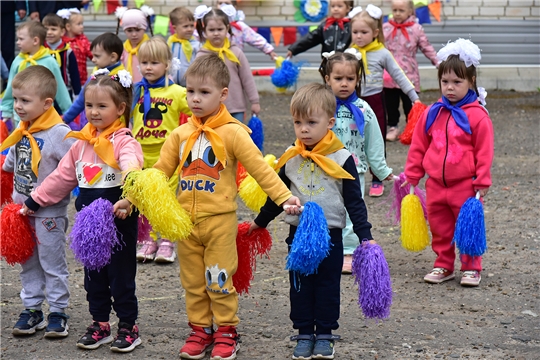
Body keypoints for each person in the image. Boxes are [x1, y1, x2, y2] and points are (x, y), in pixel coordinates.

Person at [152, 53, 300, 360]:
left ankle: (226, 331)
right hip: (185, 224)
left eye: (204, 93)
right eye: (190, 91)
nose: (195, 99)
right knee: (192, 282)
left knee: (218, 279)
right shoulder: (179, 135)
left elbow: (260, 168)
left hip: (219, 222)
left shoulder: (233, 132)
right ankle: (199, 330)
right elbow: (159, 172)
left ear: (222, 95)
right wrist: (132, 197)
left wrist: (285, 198)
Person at [249, 83, 375, 360]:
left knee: (328, 285)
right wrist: (261, 221)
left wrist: (365, 235)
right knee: (300, 285)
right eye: (297, 122)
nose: (303, 129)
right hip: (298, 237)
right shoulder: (290, 158)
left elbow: (354, 201)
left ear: (330, 123)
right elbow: (277, 196)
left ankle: (326, 334)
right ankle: (304, 332)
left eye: (311, 122)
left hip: (331, 237)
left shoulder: (342, 158)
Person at [21, 70, 144, 352]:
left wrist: (128, 197)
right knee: (93, 276)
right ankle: (100, 323)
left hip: (119, 221)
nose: (94, 112)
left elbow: (132, 167)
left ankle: (128, 326)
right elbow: (61, 178)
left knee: (121, 276)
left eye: (102, 106)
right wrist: (34, 200)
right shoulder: (81, 144)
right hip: (89, 226)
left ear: (121, 108)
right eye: (89, 106)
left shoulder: (124, 142)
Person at [404, 39, 494, 287]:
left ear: (471, 82)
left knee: (467, 229)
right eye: (445, 82)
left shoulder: (478, 116)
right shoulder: (432, 112)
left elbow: (484, 151)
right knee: (440, 227)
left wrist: (482, 179)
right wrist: (412, 175)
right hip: (435, 185)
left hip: (465, 186)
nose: (450, 88)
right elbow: (419, 146)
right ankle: (444, 264)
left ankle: (471, 267)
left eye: (457, 82)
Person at [0, 66, 75, 339]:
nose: (18, 106)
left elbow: (72, 169)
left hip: (49, 214)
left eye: (24, 101)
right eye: (16, 99)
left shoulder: (58, 133)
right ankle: (32, 309)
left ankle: (58, 311)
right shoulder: (22, 129)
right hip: (21, 213)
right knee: (28, 263)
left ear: (46, 103)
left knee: (51, 264)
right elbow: (11, 165)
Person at [320, 50, 393, 273]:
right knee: (325, 209)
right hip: (324, 170)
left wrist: (381, 169)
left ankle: (349, 251)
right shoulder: (321, 108)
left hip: (355, 172)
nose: (344, 84)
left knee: (352, 211)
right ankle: (325, 247)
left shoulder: (364, 109)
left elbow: (374, 142)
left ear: (357, 80)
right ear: (327, 79)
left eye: (350, 79)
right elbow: (307, 132)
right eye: (338, 78)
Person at [349, 4, 419, 197]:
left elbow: (399, 75)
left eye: (364, 32)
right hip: (353, 102)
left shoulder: (382, 53)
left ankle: (378, 177)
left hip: (375, 101)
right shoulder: (349, 53)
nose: (359, 36)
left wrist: (414, 97)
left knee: (376, 139)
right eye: (355, 32)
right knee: (353, 140)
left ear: (375, 32)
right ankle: (352, 177)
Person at [132, 37, 191, 263]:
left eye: (154, 62)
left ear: (167, 64)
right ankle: (148, 238)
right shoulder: (135, 91)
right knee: (145, 198)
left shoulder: (176, 92)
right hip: (140, 155)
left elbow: (197, 105)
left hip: (168, 156)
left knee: (165, 198)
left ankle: (167, 241)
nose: (148, 67)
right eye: (144, 62)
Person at [383, 0, 438, 141]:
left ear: (410, 11)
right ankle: (393, 127)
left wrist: (439, 62)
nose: (397, 14)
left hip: (409, 75)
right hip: (389, 77)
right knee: (391, 104)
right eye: (394, 10)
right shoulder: (386, 28)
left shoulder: (416, 29)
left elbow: (426, 47)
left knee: (411, 104)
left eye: (401, 10)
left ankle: (413, 128)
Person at [1, 21, 72, 127]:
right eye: (17, 39)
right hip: (20, 118)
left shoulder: (49, 62)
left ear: (35, 40)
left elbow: (60, 88)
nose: (17, 42)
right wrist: (6, 110)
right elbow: (11, 87)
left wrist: (68, 112)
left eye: (21, 39)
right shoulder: (18, 61)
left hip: (44, 117)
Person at [195, 6, 260, 122]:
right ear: (204, 31)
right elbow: (195, 82)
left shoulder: (235, 52)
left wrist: (254, 101)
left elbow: (247, 78)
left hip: (236, 107)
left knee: (235, 137)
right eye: (211, 30)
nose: (216, 33)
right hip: (211, 107)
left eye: (220, 29)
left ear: (227, 28)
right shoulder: (201, 56)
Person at [62, 32, 125, 126]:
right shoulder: (97, 73)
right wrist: (66, 118)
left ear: (113, 57)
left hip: (116, 127)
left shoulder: (122, 79)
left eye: (97, 56)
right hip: (94, 124)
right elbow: (81, 99)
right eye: (93, 55)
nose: (93, 59)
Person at [286, 0, 353, 59]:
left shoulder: (352, 25)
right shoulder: (326, 25)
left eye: (339, 6)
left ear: (348, 8)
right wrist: (293, 49)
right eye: (333, 6)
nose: (335, 9)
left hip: (346, 64)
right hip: (328, 64)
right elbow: (310, 38)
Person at [42, 13, 81, 100]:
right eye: (46, 29)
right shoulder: (40, 51)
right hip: (44, 91)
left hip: (65, 91)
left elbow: (74, 73)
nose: (49, 32)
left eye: (53, 29)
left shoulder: (68, 51)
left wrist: (77, 94)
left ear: (62, 32)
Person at [116, 6, 153, 84]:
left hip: (147, 87)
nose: (134, 34)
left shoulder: (151, 48)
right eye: (129, 30)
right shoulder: (123, 49)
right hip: (128, 88)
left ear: (144, 28)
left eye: (137, 30)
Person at [57, 7, 93, 86]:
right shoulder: (61, 42)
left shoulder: (83, 39)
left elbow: (91, 53)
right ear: (68, 27)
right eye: (79, 24)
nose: (82, 26)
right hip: (65, 81)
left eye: (82, 24)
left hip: (81, 80)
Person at [167, 7, 200, 87]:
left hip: (190, 85)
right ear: (175, 28)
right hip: (172, 84)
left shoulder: (196, 45)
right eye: (185, 26)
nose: (190, 29)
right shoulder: (170, 44)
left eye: (192, 26)